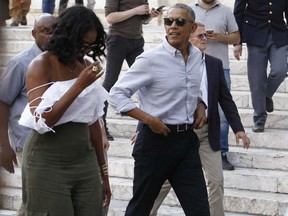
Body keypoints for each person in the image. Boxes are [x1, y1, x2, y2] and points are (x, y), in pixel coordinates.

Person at [108, 3, 210, 215]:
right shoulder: (150, 59)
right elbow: (116, 94)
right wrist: (148, 119)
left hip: (186, 141)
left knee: (200, 210)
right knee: (140, 209)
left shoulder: (197, 57)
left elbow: (191, 88)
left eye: (180, 22)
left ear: (192, 28)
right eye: (168, 21)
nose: (173, 26)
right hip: (155, 142)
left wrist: (201, 104)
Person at [149, 22, 250, 216]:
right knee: (164, 181)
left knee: (216, 180)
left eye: (206, 35)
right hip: (180, 133)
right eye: (200, 36)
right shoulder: (172, 63)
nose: (205, 39)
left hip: (206, 133)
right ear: (187, 38)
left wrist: (238, 128)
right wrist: (142, 127)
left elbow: (225, 99)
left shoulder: (214, 64)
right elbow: (157, 99)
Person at [18, 6, 111, 215]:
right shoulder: (41, 64)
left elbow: (93, 122)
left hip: (84, 160)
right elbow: (42, 122)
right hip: (47, 160)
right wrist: (79, 85)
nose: (85, 50)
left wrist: (104, 175)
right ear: (67, 36)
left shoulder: (85, 64)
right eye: (82, 44)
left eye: (91, 45)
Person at [0, 13, 58, 216]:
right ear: (34, 33)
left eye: (56, 31)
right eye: (45, 31)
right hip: (28, 142)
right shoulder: (21, 63)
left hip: (56, 141)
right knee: (35, 199)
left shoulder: (63, 61)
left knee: (43, 198)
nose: (52, 36)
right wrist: (4, 146)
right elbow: (2, 102)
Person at [191, 0, 241, 170]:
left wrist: (220, 37)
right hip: (192, 67)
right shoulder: (189, 11)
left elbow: (236, 36)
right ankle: (194, 152)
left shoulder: (226, 11)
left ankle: (222, 152)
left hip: (220, 67)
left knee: (222, 114)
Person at [102, 0, 161, 141]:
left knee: (147, 83)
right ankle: (100, 124)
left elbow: (142, 18)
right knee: (110, 81)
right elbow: (110, 18)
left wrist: (150, 15)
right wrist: (136, 10)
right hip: (118, 39)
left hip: (137, 41)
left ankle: (146, 124)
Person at [233, 0, 288, 133]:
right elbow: (238, 13)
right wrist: (237, 42)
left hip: (279, 34)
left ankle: (265, 96)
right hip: (255, 34)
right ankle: (259, 119)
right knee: (257, 80)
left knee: (280, 70)